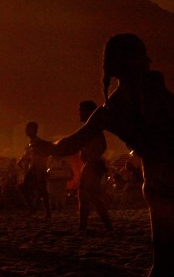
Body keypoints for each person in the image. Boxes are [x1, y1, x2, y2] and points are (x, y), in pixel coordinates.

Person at [39, 34, 173, 275]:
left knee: (163, 248)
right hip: (160, 178)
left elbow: (70, 144)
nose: (149, 60)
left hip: (158, 180)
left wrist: (44, 145)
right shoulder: (156, 92)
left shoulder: (111, 110)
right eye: (143, 56)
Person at [72, 100, 114, 232]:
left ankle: (84, 227)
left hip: (93, 165)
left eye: (82, 110)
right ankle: (101, 226)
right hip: (92, 165)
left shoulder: (92, 128)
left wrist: (91, 158)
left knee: (87, 195)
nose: (79, 113)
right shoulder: (91, 128)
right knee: (90, 196)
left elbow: (102, 146)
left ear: (90, 112)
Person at [19, 122, 51, 218]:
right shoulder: (31, 143)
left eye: (28, 129)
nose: (26, 131)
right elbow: (27, 156)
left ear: (33, 130)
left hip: (37, 169)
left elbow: (42, 156)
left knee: (40, 191)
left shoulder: (39, 143)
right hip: (33, 169)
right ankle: (36, 209)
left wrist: (40, 170)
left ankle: (38, 210)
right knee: (32, 189)